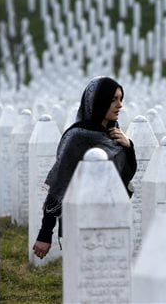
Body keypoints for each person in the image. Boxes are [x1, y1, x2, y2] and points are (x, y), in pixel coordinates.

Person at [32, 76, 137, 259]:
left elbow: (125, 176)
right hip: (82, 218)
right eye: (113, 99)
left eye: (121, 99)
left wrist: (129, 147)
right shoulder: (77, 137)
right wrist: (45, 233)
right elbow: (59, 185)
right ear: (98, 102)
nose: (120, 105)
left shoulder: (114, 133)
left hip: (112, 215)